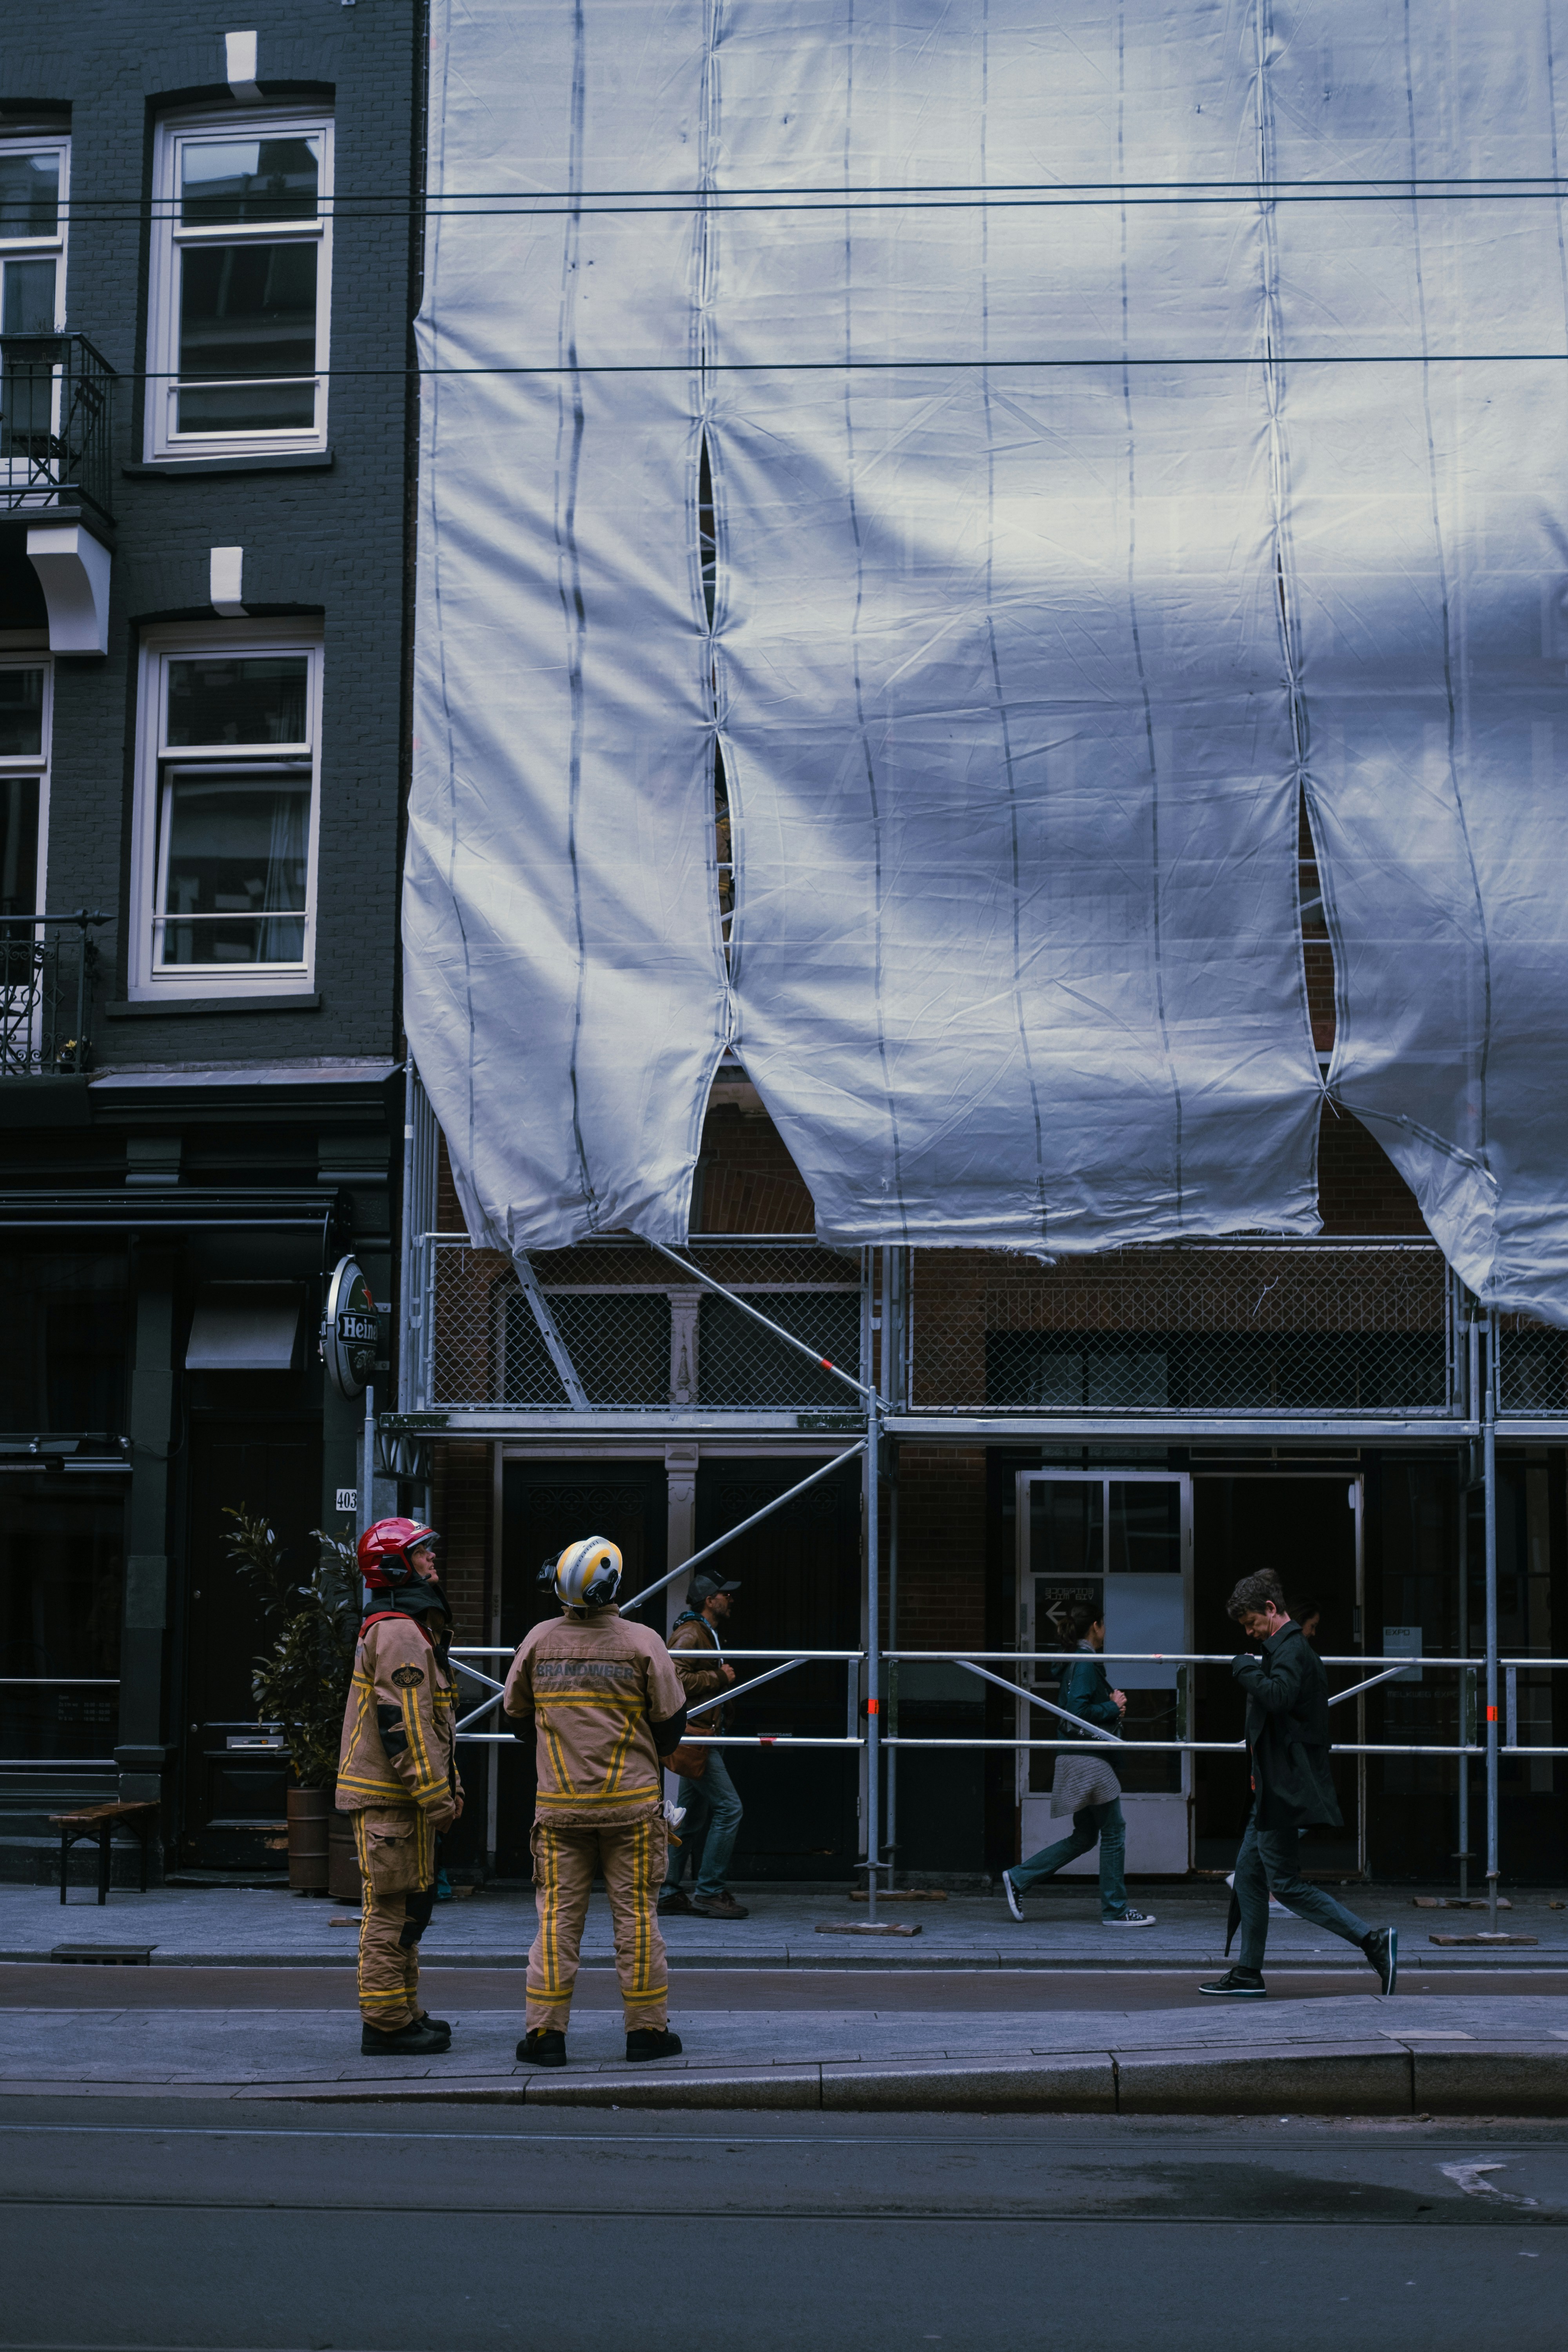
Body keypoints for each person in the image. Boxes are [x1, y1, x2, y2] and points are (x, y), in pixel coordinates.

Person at [504, 1535, 690, 2067]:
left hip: (560, 1809)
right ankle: (647, 2034)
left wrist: (558, 1748)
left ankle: (545, 2037)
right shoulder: (644, 1642)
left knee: (557, 1921)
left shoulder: (539, 1640)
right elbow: (671, 1726)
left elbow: (515, 1717)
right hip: (632, 1809)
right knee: (637, 1920)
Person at [1201, 1569, 1397, 1998]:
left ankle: (1372, 1941)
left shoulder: (1290, 1649)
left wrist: (1242, 1669)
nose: (1250, 1633)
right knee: (1251, 1876)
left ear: (1271, 1610)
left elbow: (1278, 1696)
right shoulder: (1286, 1649)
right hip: (1275, 1790)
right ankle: (1248, 1973)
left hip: (1283, 1792)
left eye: (1252, 1623)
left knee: (1284, 1883)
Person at [336, 1517, 463, 2057]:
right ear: (394, 1566)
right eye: (421, 1553)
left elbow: (426, 1723)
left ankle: (403, 2010)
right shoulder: (398, 1632)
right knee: (391, 1909)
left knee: (411, 1907)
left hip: (401, 1798)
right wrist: (437, 1795)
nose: (432, 1560)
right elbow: (405, 1725)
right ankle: (386, 2024)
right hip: (395, 1798)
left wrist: (445, 1786)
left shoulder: (406, 1627)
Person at [1001, 1605, 1156, 1928]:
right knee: (1113, 1831)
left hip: (1077, 1754)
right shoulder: (1085, 1662)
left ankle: (1018, 1878)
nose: (1106, 1631)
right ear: (1096, 1627)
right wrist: (1111, 1707)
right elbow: (1077, 1711)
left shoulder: (1076, 1659)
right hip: (1089, 1757)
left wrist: (1110, 1707)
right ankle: (1115, 1910)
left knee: (1085, 1836)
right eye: (1105, 1625)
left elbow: (1079, 1708)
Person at [659, 1574, 750, 1921]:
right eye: (726, 1594)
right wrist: (719, 1678)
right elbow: (674, 1677)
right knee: (730, 1809)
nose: (731, 1599)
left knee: (688, 1819)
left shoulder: (705, 1633)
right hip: (696, 1738)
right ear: (710, 1600)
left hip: (702, 1734)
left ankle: (668, 1891)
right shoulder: (691, 1634)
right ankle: (710, 1891)